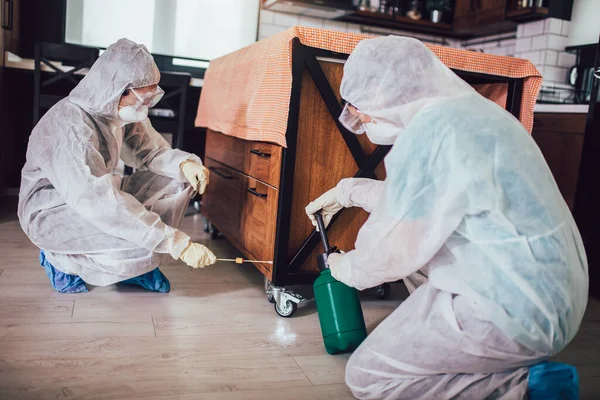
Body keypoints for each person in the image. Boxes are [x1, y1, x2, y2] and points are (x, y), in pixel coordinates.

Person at [305, 36, 587, 399]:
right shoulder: (472, 114)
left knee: (368, 377)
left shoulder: (432, 134)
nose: (363, 121)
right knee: (421, 269)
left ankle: (528, 388)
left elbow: (392, 247)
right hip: (552, 292)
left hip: (512, 311)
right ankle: (481, 358)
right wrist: (349, 191)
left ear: (388, 95)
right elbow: (426, 203)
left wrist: (345, 267)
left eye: (362, 110)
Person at [18, 39, 217, 294]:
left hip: (99, 197)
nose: (145, 107)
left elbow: (151, 150)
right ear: (119, 90)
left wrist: (185, 164)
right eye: (142, 99)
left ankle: (135, 267)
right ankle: (60, 260)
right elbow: (97, 202)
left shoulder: (115, 111)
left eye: (150, 99)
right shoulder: (70, 127)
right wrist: (174, 242)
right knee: (142, 240)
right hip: (53, 214)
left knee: (179, 178)